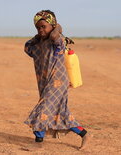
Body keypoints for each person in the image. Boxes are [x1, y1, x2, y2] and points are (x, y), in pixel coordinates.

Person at [23, 10, 90, 151]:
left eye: (44, 26)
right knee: (62, 113)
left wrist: (57, 28)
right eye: (38, 27)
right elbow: (26, 47)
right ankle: (84, 134)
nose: (40, 30)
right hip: (45, 83)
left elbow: (54, 35)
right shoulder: (37, 44)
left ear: (52, 25)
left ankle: (38, 141)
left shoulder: (57, 42)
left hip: (58, 83)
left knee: (42, 109)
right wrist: (38, 35)